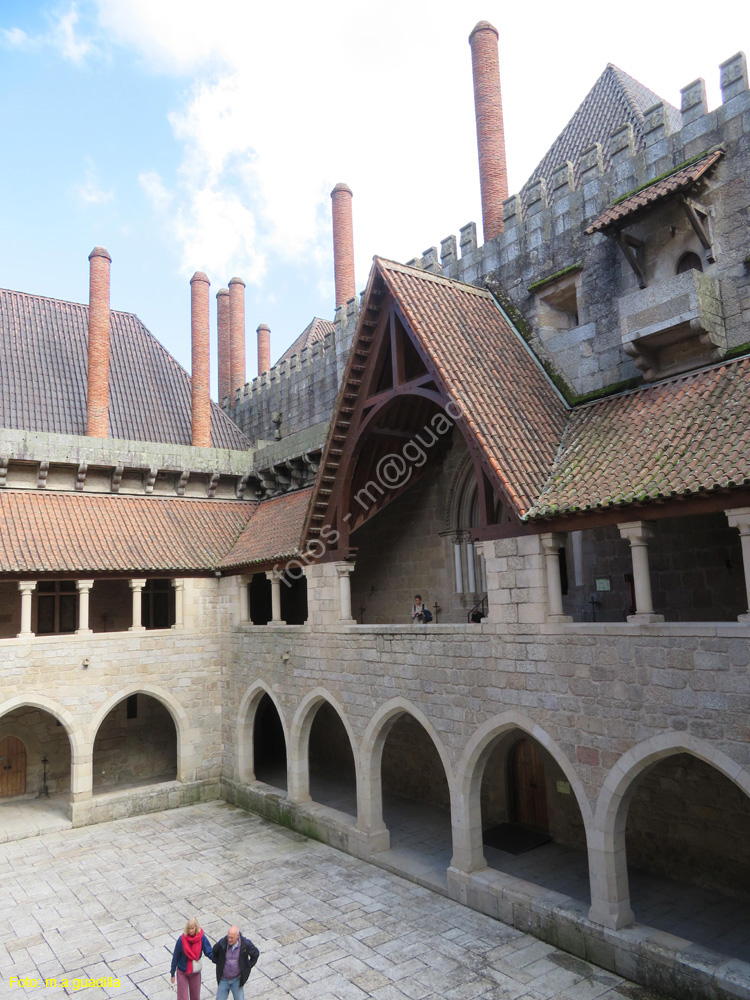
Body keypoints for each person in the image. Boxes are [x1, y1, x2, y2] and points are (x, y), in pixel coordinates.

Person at [170, 917, 213, 1000]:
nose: (190, 931)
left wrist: (218, 960)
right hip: (182, 972)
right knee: (183, 998)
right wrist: (172, 972)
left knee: (195, 997)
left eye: (192, 928)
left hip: (195, 972)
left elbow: (209, 952)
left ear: (196, 927)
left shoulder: (202, 938)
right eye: (189, 928)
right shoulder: (181, 940)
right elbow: (176, 956)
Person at [212, 925, 259, 1000]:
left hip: (236, 980)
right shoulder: (222, 943)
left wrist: (247, 967)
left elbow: (255, 954)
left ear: (237, 936)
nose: (229, 940)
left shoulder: (245, 944)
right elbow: (214, 952)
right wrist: (219, 964)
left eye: (232, 938)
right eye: (228, 937)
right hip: (223, 979)